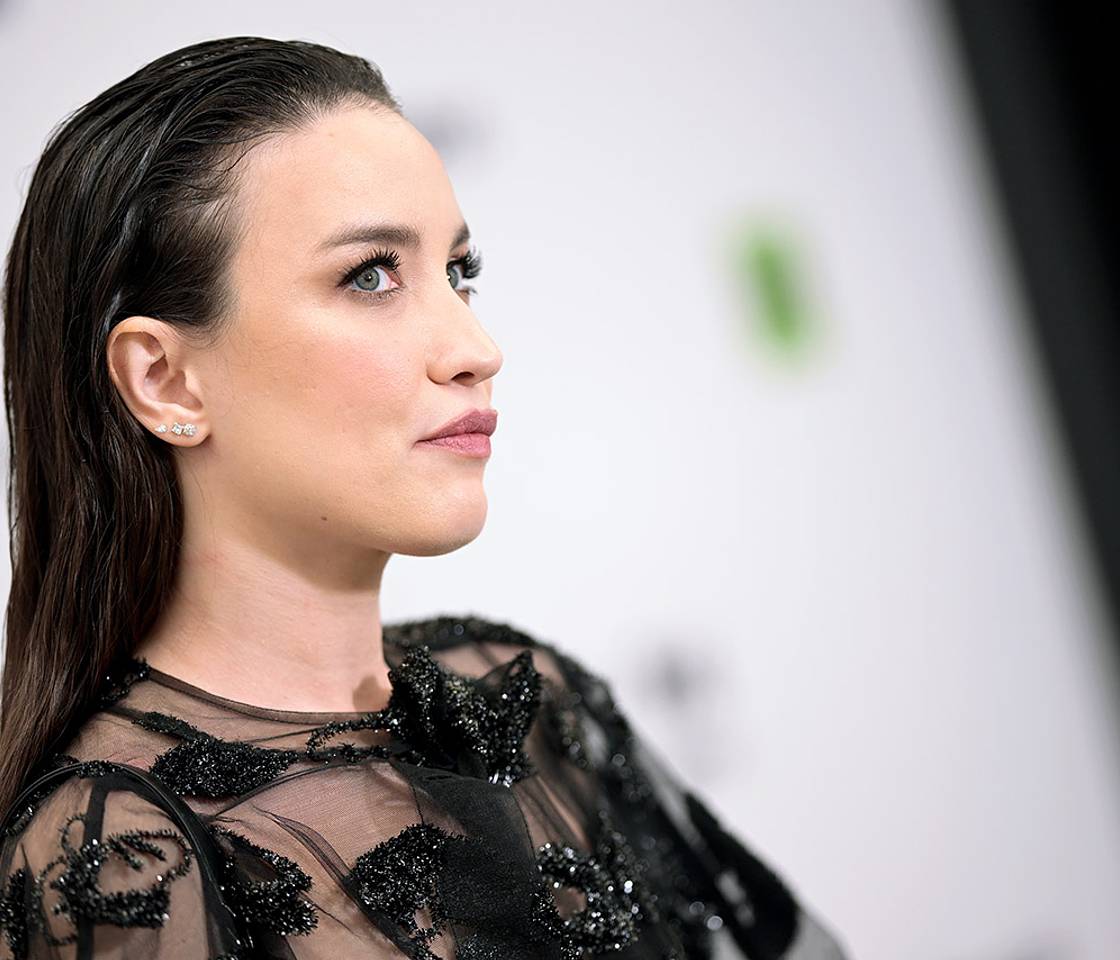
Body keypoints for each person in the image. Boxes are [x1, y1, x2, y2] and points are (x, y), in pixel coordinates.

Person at [0, 37, 849, 960]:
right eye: (370, 275)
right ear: (164, 380)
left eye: (460, 273)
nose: (477, 348)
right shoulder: (116, 850)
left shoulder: (529, 702)